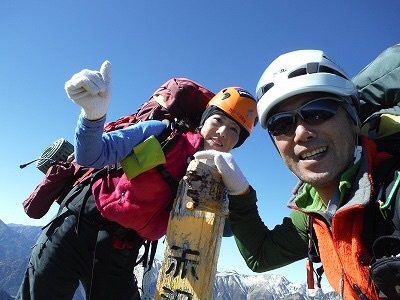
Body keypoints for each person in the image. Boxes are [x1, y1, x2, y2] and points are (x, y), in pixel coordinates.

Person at [16, 60, 258, 300]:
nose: (223, 133)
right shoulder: (163, 135)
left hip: (121, 249)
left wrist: (237, 192)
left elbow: (224, 229)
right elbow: (92, 155)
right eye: (218, 120)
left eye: (234, 130)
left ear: (238, 142)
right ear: (204, 120)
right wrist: (92, 116)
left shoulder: (218, 177)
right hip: (77, 225)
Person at [194, 50, 400, 299]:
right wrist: (239, 192)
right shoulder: (316, 213)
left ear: (353, 118)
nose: (301, 133)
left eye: (318, 111)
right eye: (282, 124)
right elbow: (261, 255)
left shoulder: (392, 192)